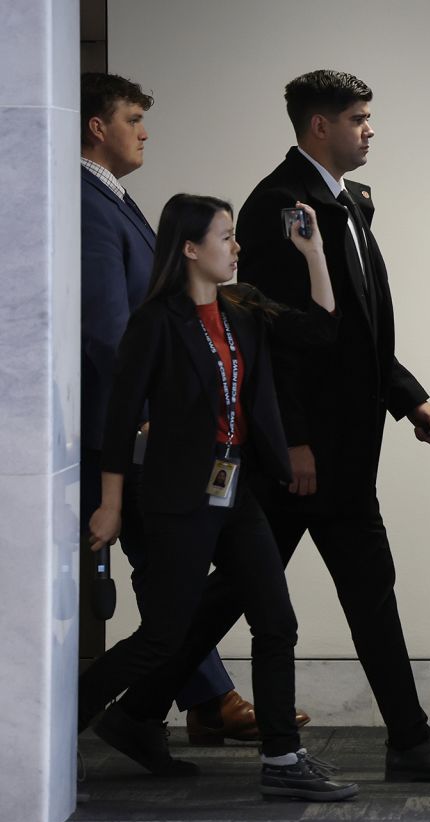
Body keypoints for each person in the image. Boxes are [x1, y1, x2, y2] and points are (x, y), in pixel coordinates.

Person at [80, 193, 356, 801]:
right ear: (189, 248)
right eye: (225, 237)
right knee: (165, 636)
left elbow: (320, 329)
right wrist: (111, 503)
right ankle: (61, 721)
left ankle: (284, 761)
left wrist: (314, 253)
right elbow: (120, 418)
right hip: (177, 496)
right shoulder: (156, 322)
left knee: (277, 623)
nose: (235, 247)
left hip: (237, 491)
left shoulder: (242, 310)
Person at [233, 69, 430, 783]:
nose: (370, 128)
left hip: (343, 444)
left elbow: (360, 329)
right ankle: (411, 740)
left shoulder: (347, 203)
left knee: (237, 589)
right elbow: (274, 341)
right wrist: (294, 438)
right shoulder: (278, 205)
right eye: (359, 117)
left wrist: (406, 394)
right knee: (368, 583)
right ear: (319, 127)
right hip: (313, 451)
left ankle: (136, 705)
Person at [79, 72, 299, 768]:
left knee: (234, 614)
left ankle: (257, 741)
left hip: (218, 476)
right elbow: (116, 334)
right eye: (133, 118)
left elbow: (311, 330)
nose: (144, 131)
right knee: (165, 624)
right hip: (161, 450)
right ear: (96, 127)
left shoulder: (122, 206)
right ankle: (76, 720)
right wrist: (150, 420)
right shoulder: (92, 207)